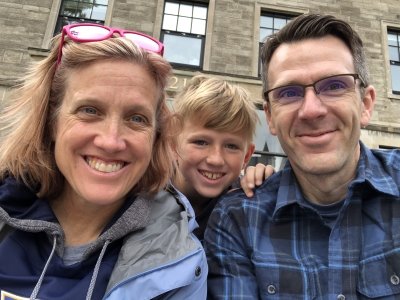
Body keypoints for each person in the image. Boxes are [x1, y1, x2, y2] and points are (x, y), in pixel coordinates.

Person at [0, 23, 206, 299]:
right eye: (89, 110)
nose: (111, 141)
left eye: (136, 118)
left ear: (156, 136)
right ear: (52, 122)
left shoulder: (181, 264)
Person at [205, 13, 400, 299]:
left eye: (334, 85)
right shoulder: (238, 220)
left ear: (365, 104)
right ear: (270, 116)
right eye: (289, 92)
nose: (311, 110)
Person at [170, 75, 274, 242]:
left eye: (231, 146)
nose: (216, 159)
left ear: (247, 155)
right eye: (201, 142)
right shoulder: (144, 194)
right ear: (173, 144)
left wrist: (269, 185)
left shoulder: (245, 201)